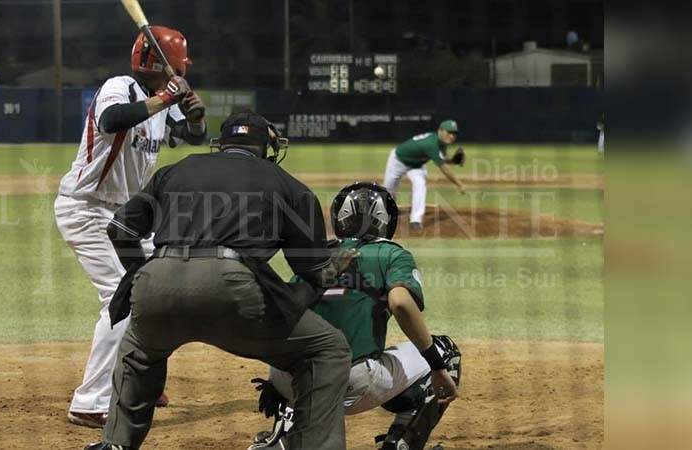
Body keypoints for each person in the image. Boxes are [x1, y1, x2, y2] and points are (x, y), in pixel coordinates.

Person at [84, 111, 357, 450]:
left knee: (138, 353)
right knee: (326, 349)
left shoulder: (175, 170)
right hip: (233, 289)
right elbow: (311, 272)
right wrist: (332, 268)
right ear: (267, 147)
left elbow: (120, 230)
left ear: (221, 144)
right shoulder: (287, 184)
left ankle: (115, 445)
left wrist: (142, 276)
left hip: (158, 278)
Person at [54, 25, 207, 429]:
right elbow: (110, 120)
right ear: (164, 64)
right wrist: (165, 98)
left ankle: (142, 379)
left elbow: (191, 137)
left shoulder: (162, 102)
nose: (181, 71)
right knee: (120, 302)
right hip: (86, 211)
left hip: (128, 220)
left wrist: (193, 119)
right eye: (178, 65)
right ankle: (89, 401)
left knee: (163, 291)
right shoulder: (118, 87)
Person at [248, 182, 461, 450]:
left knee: (304, 360)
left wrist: (274, 381)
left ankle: (282, 437)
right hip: (351, 382)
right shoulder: (392, 253)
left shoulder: (318, 254)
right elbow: (401, 303)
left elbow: (285, 313)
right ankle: (401, 444)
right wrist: (437, 367)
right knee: (446, 351)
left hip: (288, 378)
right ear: (386, 221)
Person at [382, 120, 466, 230]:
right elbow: (444, 168)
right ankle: (383, 213)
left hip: (416, 165)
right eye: (449, 132)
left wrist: (452, 161)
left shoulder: (441, 143)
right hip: (398, 161)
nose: (451, 136)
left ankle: (416, 220)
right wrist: (459, 184)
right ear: (440, 131)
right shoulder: (431, 144)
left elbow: (441, 158)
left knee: (420, 184)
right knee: (389, 190)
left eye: (454, 134)